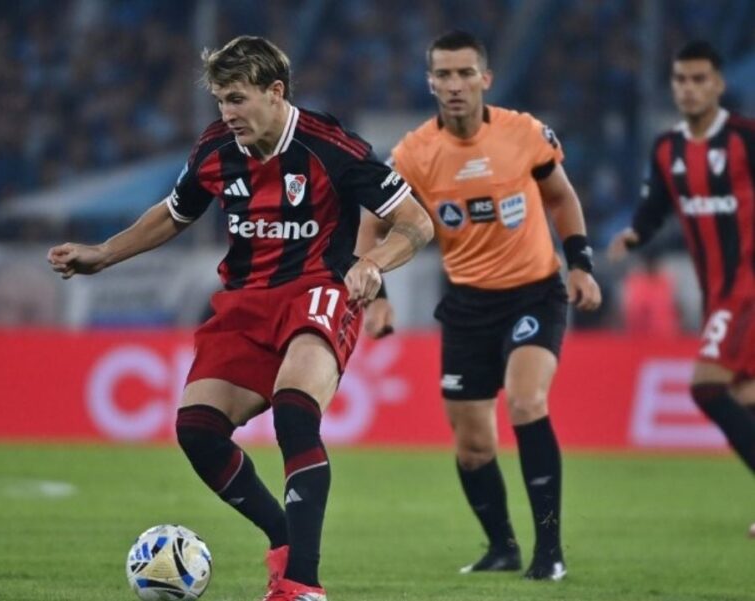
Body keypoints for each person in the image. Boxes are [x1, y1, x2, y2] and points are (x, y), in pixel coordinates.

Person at [49, 35, 433, 601]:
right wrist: (104, 254)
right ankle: (283, 535)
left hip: (318, 290)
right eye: (220, 102)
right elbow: (174, 213)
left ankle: (302, 584)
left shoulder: (331, 147)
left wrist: (373, 264)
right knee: (197, 430)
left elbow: (416, 223)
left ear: (275, 93)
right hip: (245, 301)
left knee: (295, 412)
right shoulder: (214, 150)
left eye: (237, 99)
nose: (227, 114)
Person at [357, 31, 601, 581]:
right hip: (467, 304)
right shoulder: (415, 152)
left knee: (525, 401)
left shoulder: (523, 134)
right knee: (471, 445)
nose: (454, 85)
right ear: (430, 83)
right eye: (443, 74)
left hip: (534, 292)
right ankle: (502, 548)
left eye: (465, 73)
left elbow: (561, 196)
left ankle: (549, 552)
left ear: (485, 79)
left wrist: (581, 262)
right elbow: (374, 218)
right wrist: (380, 294)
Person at [608, 41, 755, 538]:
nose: (689, 89)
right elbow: (655, 206)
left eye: (699, 80)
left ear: (718, 84)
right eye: (681, 80)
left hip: (748, 286)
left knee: (706, 385)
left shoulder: (745, 138)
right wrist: (635, 235)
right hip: (717, 290)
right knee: (743, 393)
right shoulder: (667, 148)